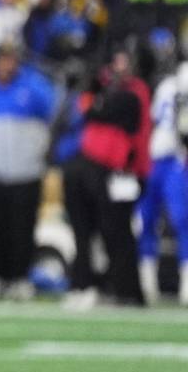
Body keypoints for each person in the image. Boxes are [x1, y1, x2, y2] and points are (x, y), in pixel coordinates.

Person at [0, 40, 59, 299]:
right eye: (3, 59)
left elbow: (53, 117)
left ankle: (21, 276)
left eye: (11, 59)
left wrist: (40, 151)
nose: (7, 65)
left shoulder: (35, 86)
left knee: (24, 225)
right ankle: (0, 274)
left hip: (26, 168)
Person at [66, 45, 151, 307]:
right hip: (97, 166)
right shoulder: (108, 90)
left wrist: (94, 93)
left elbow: (97, 111)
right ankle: (91, 284)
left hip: (123, 171)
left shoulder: (135, 93)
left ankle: (127, 290)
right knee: (90, 229)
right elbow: (85, 109)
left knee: (117, 231)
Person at [139, 41, 186, 304]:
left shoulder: (171, 83)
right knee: (151, 220)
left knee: (179, 221)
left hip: (174, 158)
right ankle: (147, 281)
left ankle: (153, 282)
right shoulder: (169, 84)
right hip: (161, 157)